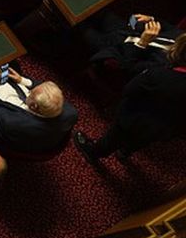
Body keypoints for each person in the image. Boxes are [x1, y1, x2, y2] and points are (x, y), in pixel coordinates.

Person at [75, 35, 186, 163]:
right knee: (142, 141)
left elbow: (129, 89)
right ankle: (125, 152)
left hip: (134, 117)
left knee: (113, 138)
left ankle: (94, 152)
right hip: (164, 129)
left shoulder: (158, 74)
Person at [0, 67, 76, 153]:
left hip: (2, 130)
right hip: (41, 138)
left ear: (34, 106)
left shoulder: (13, 121)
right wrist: (22, 80)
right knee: (13, 66)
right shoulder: (71, 113)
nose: (30, 90)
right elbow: (43, 88)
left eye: (31, 92)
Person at [82, 11, 183, 73]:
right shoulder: (182, 37)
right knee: (100, 12)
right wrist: (151, 19)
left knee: (80, 26)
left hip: (115, 49)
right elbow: (169, 28)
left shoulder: (163, 67)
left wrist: (142, 43)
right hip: (127, 31)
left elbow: (129, 67)